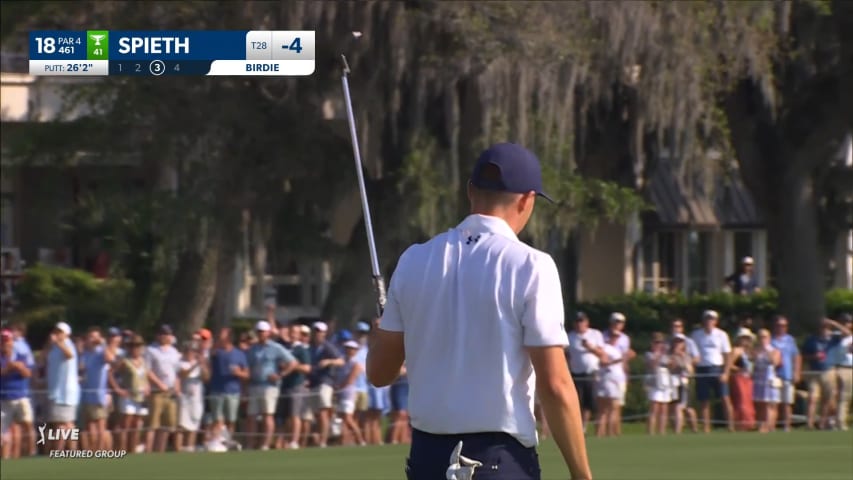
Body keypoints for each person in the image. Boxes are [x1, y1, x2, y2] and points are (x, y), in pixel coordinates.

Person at [367, 143, 592, 480]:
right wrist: (581, 473)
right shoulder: (532, 265)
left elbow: (380, 374)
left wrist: (381, 331)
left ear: (470, 191)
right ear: (527, 199)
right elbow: (556, 385)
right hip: (499, 461)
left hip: (427, 459)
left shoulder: (413, 259)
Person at [246, 320, 296, 450]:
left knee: (267, 415)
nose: (261, 334)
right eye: (259, 332)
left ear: (268, 333)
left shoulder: (275, 347)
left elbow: (292, 362)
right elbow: (248, 366)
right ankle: (251, 444)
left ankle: (265, 444)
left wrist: (281, 375)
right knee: (251, 416)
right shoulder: (252, 349)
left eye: (263, 332)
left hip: (270, 386)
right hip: (254, 385)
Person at [691, 310, 734, 433]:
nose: (709, 321)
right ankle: (706, 427)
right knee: (704, 400)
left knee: (725, 398)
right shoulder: (696, 334)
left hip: (717, 368)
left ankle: (730, 426)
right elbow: (693, 353)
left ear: (716, 321)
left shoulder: (722, 335)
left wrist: (726, 372)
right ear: (703, 320)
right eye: (707, 319)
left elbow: (727, 355)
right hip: (702, 368)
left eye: (712, 319)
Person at [206, 327, 248, 451]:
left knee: (231, 420)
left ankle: (227, 441)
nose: (220, 337)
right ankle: (216, 442)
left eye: (223, 336)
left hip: (233, 391)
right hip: (217, 390)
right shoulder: (216, 352)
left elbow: (247, 374)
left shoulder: (239, 354)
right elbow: (210, 352)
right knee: (217, 419)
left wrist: (238, 373)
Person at [80, 327, 120, 451]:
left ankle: (101, 451)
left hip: (99, 396)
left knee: (100, 426)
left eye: (95, 337)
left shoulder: (101, 352)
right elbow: (81, 369)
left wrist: (102, 344)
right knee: (89, 426)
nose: (93, 340)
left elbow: (110, 360)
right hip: (86, 394)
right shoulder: (85, 354)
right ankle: (92, 451)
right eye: (91, 337)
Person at [145, 325, 182, 453]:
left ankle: (160, 452)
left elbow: (177, 372)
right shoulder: (150, 350)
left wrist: (177, 387)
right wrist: (159, 384)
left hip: (170, 392)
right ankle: (148, 452)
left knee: (168, 425)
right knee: (153, 425)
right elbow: (147, 370)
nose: (165, 336)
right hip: (157, 392)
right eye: (163, 334)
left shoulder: (174, 352)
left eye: (167, 334)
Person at [306, 321, 344, 449]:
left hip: (325, 382)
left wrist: (329, 361)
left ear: (324, 333)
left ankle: (323, 440)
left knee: (323, 412)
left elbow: (341, 361)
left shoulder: (328, 347)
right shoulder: (309, 347)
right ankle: (320, 438)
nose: (318, 334)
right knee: (316, 413)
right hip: (313, 382)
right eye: (316, 331)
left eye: (320, 332)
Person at [802, 319, 844, 430]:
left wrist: (834, 323)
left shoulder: (834, 338)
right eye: (823, 327)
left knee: (827, 399)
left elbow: (848, 334)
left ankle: (822, 423)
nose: (824, 329)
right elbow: (804, 355)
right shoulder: (811, 339)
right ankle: (809, 423)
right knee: (812, 398)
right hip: (814, 372)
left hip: (829, 371)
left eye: (826, 327)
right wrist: (813, 357)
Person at [565, 312, 604, 433]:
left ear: (586, 322)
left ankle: (587, 426)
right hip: (576, 373)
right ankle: (578, 426)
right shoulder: (570, 336)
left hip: (591, 373)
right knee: (577, 401)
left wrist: (590, 347)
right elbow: (566, 355)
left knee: (590, 402)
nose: (579, 324)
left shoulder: (595, 334)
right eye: (577, 321)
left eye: (581, 321)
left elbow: (601, 353)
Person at [45, 321, 79, 452]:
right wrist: (50, 344)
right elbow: (43, 359)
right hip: (56, 391)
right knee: (67, 424)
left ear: (67, 334)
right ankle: (72, 450)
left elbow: (69, 355)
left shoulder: (67, 345)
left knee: (61, 424)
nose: (56, 334)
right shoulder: (54, 347)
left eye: (60, 332)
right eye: (56, 331)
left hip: (64, 392)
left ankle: (59, 451)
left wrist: (58, 342)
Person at [112, 335, 149, 454]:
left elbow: (145, 377)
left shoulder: (143, 361)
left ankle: (132, 451)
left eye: (138, 346)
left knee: (137, 425)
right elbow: (110, 373)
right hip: (128, 396)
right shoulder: (124, 361)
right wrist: (118, 389)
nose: (135, 348)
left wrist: (147, 386)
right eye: (133, 346)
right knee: (125, 425)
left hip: (141, 397)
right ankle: (122, 451)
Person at [277, 322, 311, 450]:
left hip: (296, 385)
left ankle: (294, 441)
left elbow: (307, 368)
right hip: (284, 385)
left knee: (295, 414)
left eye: (295, 333)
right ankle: (282, 440)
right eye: (291, 332)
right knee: (284, 416)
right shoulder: (285, 348)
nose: (292, 334)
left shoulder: (301, 349)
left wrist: (293, 366)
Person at [0, 328, 33, 459]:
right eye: (3, 341)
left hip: (21, 397)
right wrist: (10, 367)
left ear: (12, 342)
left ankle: (31, 454)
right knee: (5, 431)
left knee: (27, 426)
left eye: (7, 341)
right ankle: (7, 458)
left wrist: (21, 368)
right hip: (4, 399)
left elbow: (28, 374)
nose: (5, 344)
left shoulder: (21, 356)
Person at [602, 312, 635, 436]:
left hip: (620, 375)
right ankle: (606, 433)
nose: (617, 325)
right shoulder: (603, 336)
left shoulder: (625, 338)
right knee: (607, 406)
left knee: (618, 406)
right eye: (616, 322)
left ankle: (616, 432)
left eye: (620, 322)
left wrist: (627, 374)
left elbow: (626, 357)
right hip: (607, 374)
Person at [176, 340, 209, 452]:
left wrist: (202, 365)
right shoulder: (180, 362)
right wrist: (195, 365)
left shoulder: (199, 364)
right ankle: (179, 449)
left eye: (195, 350)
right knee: (181, 426)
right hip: (184, 398)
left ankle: (190, 448)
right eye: (191, 350)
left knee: (194, 425)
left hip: (197, 399)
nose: (193, 353)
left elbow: (206, 378)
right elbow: (184, 374)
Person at [770, 315, 801, 432]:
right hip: (774, 376)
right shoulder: (771, 340)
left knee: (787, 402)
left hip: (787, 375)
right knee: (774, 402)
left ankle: (787, 426)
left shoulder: (790, 340)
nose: (781, 328)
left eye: (784, 326)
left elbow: (796, 356)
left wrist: (796, 372)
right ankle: (772, 426)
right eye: (779, 325)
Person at [723, 328, 756, 432]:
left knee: (748, 401)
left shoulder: (749, 352)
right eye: (743, 338)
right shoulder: (736, 350)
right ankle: (740, 424)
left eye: (747, 338)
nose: (745, 340)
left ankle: (749, 424)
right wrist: (739, 369)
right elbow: (729, 365)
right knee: (741, 401)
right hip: (738, 378)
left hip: (748, 379)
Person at [595, 331, 625, 438]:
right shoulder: (605, 348)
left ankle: (609, 432)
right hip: (608, 379)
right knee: (607, 408)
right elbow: (603, 362)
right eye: (613, 336)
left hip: (615, 380)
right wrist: (617, 361)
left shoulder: (617, 349)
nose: (615, 338)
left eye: (617, 337)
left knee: (613, 408)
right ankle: (603, 433)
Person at [336, 340, 366, 446]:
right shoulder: (344, 362)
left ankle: (360, 440)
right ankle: (343, 441)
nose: (348, 350)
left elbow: (350, 380)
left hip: (348, 394)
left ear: (355, 351)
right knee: (342, 419)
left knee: (348, 418)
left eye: (351, 348)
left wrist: (338, 389)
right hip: (341, 394)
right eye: (347, 348)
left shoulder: (356, 364)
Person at [751, 329, 782, 433]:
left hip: (770, 380)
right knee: (759, 404)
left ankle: (769, 426)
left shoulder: (774, 350)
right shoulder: (755, 351)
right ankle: (761, 424)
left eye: (764, 337)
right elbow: (751, 362)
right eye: (760, 337)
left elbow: (775, 362)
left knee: (770, 404)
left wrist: (767, 351)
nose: (762, 339)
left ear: (769, 338)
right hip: (758, 380)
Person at [667, 335, 697, 434]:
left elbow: (690, 371)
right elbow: (669, 368)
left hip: (683, 384)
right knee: (673, 408)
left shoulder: (686, 356)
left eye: (679, 342)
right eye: (675, 342)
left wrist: (682, 361)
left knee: (684, 408)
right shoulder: (669, 355)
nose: (677, 344)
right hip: (671, 384)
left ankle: (686, 430)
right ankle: (677, 430)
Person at [644, 332, 673, 435]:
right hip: (654, 382)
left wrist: (670, 357)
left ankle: (662, 432)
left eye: (660, 342)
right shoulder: (649, 354)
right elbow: (652, 365)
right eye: (656, 342)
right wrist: (658, 355)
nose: (658, 345)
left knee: (664, 409)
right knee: (654, 408)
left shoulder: (665, 355)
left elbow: (671, 366)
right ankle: (650, 432)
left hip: (665, 382)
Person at [830, 313, 852, 431]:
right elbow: (843, 333)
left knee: (845, 397)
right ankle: (837, 421)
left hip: (849, 368)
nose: (846, 324)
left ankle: (840, 421)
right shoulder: (836, 335)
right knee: (838, 396)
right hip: (840, 368)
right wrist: (834, 324)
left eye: (848, 322)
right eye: (844, 322)